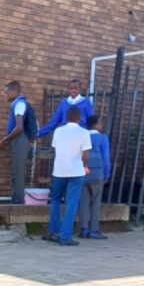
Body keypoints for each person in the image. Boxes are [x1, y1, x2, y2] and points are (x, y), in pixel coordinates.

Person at [43, 105, 91, 246]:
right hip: (76, 172)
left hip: (59, 171)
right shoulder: (84, 132)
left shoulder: (58, 131)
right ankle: (65, 237)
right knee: (71, 203)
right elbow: (86, 156)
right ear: (80, 118)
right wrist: (82, 164)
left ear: (66, 117)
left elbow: (56, 149)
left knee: (55, 200)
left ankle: (53, 231)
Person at [0, 80, 33, 205]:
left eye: (6, 92)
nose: (5, 95)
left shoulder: (19, 104)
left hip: (20, 139)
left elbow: (19, 127)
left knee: (18, 174)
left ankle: (18, 204)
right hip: (18, 139)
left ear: (14, 91)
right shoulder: (17, 104)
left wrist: (5, 140)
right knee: (15, 173)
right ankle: (15, 201)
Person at [79, 114, 111, 240]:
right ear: (96, 124)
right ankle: (93, 231)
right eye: (101, 122)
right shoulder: (103, 138)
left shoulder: (82, 136)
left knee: (83, 201)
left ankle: (83, 230)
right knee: (96, 201)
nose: (102, 125)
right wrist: (107, 174)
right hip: (97, 172)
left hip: (83, 171)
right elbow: (106, 158)